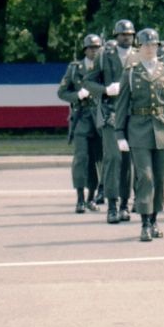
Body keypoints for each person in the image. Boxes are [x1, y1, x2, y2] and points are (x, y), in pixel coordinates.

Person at [114, 28, 164, 242]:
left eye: (152, 45)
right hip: (138, 130)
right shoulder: (130, 72)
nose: (149, 49)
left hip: (163, 129)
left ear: (157, 47)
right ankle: (145, 223)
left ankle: (154, 219)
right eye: (145, 45)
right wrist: (119, 134)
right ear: (139, 48)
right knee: (145, 176)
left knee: (159, 177)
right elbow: (122, 105)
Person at [87, 18, 139, 224]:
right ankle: (111, 204)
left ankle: (125, 204)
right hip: (111, 114)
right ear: (116, 36)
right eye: (123, 34)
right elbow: (89, 81)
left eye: (129, 34)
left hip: (132, 115)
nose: (126, 37)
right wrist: (106, 90)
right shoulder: (104, 55)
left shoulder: (138, 56)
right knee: (113, 159)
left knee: (128, 162)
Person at [58, 33, 105, 213]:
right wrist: (77, 96)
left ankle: (92, 197)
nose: (95, 51)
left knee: (98, 160)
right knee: (81, 159)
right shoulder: (74, 68)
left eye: (97, 47)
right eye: (91, 48)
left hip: (100, 117)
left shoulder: (104, 67)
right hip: (81, 118)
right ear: (85, 50)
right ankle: (79, 198)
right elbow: (62, 92)